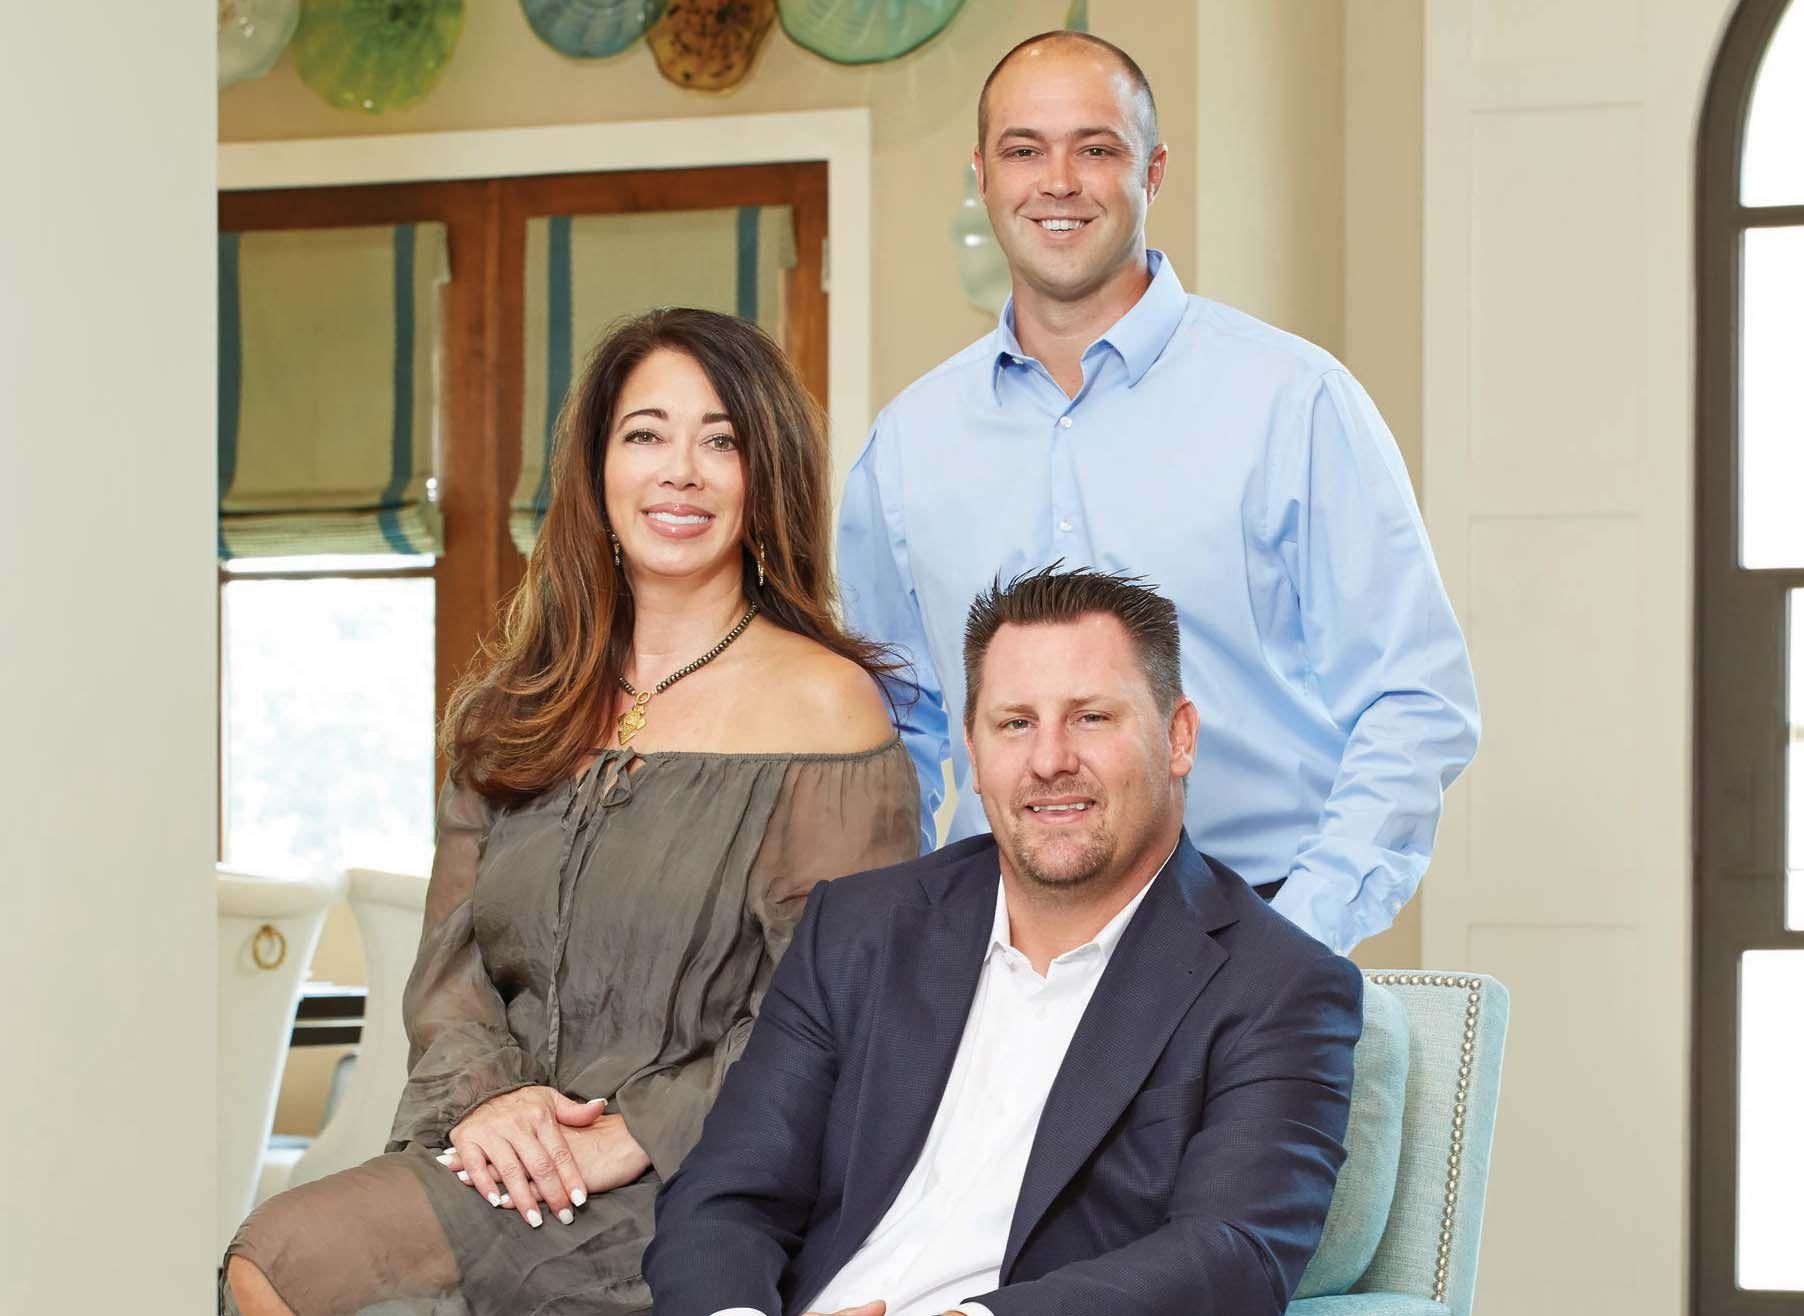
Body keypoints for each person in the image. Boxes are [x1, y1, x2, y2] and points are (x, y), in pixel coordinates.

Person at [223, 308, 920, 1315]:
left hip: (697, 1174)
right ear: (597, 469)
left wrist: (635, 1130)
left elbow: (834, 1005)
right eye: (645, 434)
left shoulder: (827, 708)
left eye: (720, 441)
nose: (679, 472)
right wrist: (493, 1102)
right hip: (500, 1153)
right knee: (278, 1257)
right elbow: (450, 972)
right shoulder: (516, 703)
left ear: (764, 475)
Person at [837, 31, 1480, 953]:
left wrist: (1297, 934)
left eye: (1096, 148)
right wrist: (908, 945)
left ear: (1153, 170)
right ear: (982, 175)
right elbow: (894, 734)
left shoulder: (1292, 401)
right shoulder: (907, 445)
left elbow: (1416, 699)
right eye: (1024, 150)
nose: (1059, 181)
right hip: (998, 953)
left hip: (1249, 924)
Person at [645, 566, 1363, 1316]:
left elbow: (1234, 1253)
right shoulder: (858, 928)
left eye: (1091, 717)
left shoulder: (1279, 986)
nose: (1049, 761)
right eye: (1015, 724)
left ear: (1178, 736)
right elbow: (724, 1196)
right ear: (973, 750)